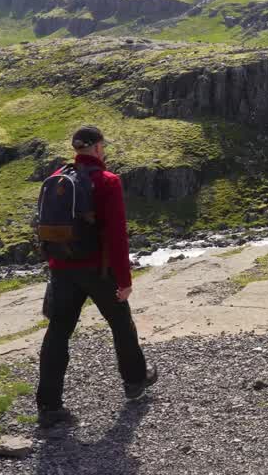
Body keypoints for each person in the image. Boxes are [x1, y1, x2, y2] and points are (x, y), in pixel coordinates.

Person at [36, 125, 158, 428]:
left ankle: (49, 406)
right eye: (103, 145)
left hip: (62, 269)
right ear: (97, 147)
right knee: (121, 324)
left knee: (58, 333)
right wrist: (125, 280)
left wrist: (54, 265)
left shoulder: (56, 178)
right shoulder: (107, 181)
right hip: (98, 270)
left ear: (77, 148)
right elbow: (117, 235)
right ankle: (134, 381)